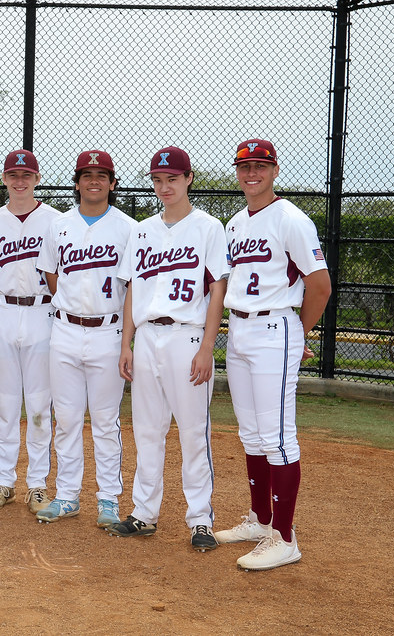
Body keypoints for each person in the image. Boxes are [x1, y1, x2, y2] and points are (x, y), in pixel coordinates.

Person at [214, 138, 331, 570]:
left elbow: (320, 286)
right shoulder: (235, 223)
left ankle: (285, 538)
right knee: (251, 434)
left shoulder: (292, 220)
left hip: (275, 325)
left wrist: (297, 335)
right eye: (244, 167)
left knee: (278, 436)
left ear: (274, 170)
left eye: (259, 166)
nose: (251, 174)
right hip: (240, 328)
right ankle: (261, 521)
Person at [109, 146, 228, 552]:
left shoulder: (209, 227)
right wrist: (126, 343)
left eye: (172, 179)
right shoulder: (141, 230)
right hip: (147, 338)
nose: (164, 187)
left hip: (186, 336)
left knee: (194, 432)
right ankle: (144, 513)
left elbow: (217, 290)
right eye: (157, 180)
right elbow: (130, 291)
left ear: (189, 178)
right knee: (147, 430)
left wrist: (207, 346)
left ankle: (200, 520)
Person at [36, 150, 134, 526]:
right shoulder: (59, 225)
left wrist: (126, 340)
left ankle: (108, 497)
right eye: (87, 174)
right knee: (67, 419)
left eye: (102, 174)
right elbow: (52, 276)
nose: (94, 180)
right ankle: (66, 495)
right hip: (64, 330)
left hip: (108, 332)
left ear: (112, 183)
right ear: (77, 183)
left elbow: (133, 288)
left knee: (107, 421)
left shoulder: (128, 227)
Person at [0, 149, 60, 514]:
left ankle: (38, 484)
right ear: (5, 179)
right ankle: (4, 480)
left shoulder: (55, 221)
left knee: (40, 404)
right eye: (14, 175)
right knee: (7, 402)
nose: (20, 180)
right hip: (3, 312)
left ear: (37, 178)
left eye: (26, 174)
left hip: (42, 312)